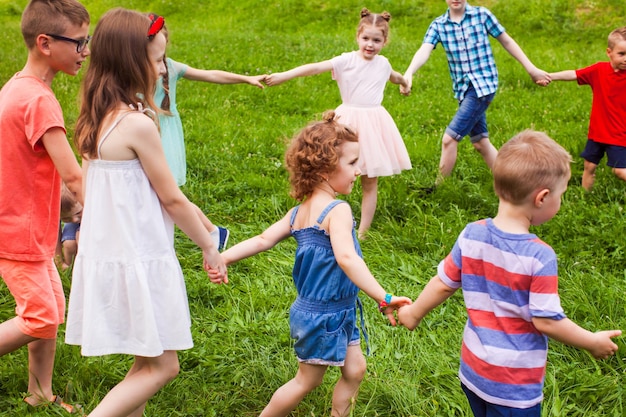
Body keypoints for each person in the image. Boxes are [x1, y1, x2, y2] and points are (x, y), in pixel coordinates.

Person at [64, 9, 226, 417]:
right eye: (156, 61)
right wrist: (209, 245)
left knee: (145, 360)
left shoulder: (97, 115)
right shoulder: (137, 124)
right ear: (130, 63)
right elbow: (171, 199)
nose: (162, 69)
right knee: (163, 365)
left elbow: (88, 187)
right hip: (140, 256)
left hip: (114, 253)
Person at [397, 130, 621, 417]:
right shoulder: (539, 256)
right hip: (514, 387)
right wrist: (592, 341)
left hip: (473, 371)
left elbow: (443, 283)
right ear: (542, 197)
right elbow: (547, 321)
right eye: (561, 195)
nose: (561, 202)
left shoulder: (472, 234)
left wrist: (414, 313)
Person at [214, 111, 412, 417]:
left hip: (333, 309)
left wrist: (222, 257)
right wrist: (383, 297)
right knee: (306, 381)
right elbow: (347, 258)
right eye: (351, 163)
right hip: (325, 315)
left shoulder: (299, 213)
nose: (358, 171)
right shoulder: (338, 210)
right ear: (323, 171)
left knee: (356, 369)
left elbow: (262, 240)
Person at [0, 0, 88, 412]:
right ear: (45, 43)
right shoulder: (38, 101)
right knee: (38, 317)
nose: (84, 51)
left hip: (28, 227)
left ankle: (39, 394)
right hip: (18, 229)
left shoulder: (20, 88)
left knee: (51, 312)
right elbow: (73, 175)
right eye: (79, 42)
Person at [265, 8, 412, 239]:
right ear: (357, 37)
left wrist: (405, 82)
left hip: (374, 125)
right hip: (348, 123)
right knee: (331, 169)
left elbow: (394, 76)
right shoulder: (346, 61)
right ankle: (324, 215)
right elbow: (315, 68)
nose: (370, 45)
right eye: (365, 38)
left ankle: (362, 231)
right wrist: (285, 75)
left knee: (369, 178)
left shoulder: (383, 63)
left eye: (376, 40)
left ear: (385, 41)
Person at [401, 0, 550, 186]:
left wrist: (531, 69)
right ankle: (515, 183)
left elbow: (507, 41)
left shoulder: (482, 15)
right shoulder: (439, 25)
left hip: (483, 87)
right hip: (464, 89)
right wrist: (409, 72)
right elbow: (424, 50)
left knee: (448, 139)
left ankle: (438, 188)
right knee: (480, 142)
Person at [153, 16, 267, 250]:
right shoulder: (131, 71)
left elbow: (211, 75)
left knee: (166, 194)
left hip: (162, 137)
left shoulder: (170, 68)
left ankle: (212, 231)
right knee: (159, 194)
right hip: (146, 134)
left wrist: (245, 78)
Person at [547, 26, 626, 191]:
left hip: (619, 134)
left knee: (619, 171)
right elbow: (574, 74)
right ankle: (585, 196)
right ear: (609, 52)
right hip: (597, 133)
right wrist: (550, 76)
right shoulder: (599, 70)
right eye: (621, 54)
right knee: (589, 166)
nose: (625, 59)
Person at [54, 183, 83, 271]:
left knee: (81, 240)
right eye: (66, 218)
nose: (74, 220)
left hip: (90, 219)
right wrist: (58, 261)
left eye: (77, 213)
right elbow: (54, 233)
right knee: (69, 244)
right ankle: (70, 269)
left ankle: (84, 267)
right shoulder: (54, 209)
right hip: (81, 216)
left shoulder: (86, 198)